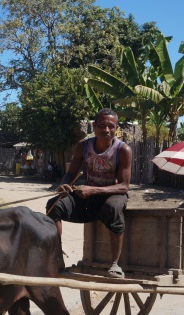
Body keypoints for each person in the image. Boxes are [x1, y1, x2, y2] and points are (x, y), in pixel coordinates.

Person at [46, 108, 132, 278]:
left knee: (113, 208)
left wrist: (94, 190)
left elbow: (124, 186)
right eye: (101, 125)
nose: (106, 130)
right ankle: (57, 257)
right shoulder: (83, 146)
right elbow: (70, 174)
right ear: (94, 126)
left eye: (111, 126)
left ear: (116, 128)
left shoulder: (123, 150)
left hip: (111, 194)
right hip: (88, 196)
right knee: (53, 205)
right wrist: (64, 185)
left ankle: (115, 264)